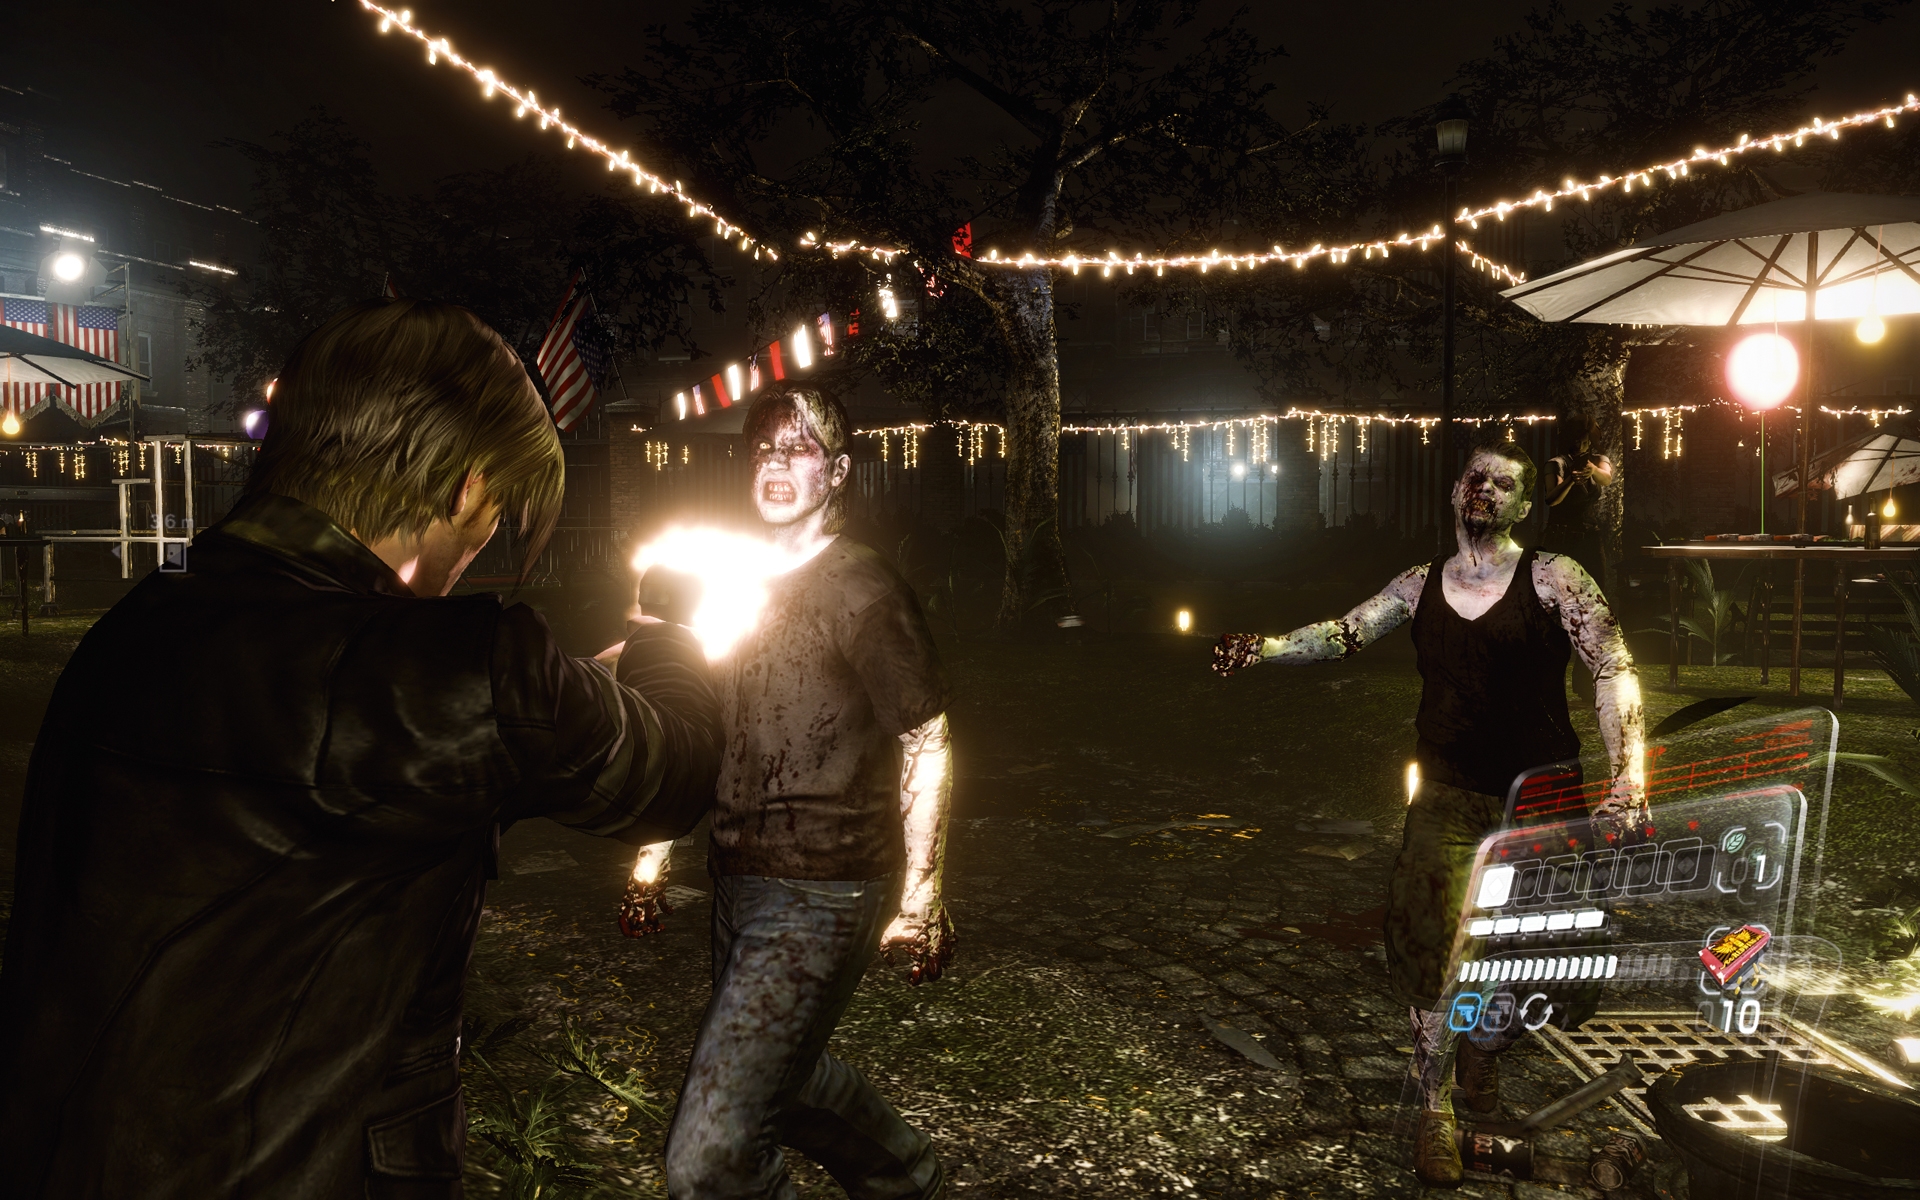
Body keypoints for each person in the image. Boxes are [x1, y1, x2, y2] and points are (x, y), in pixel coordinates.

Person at [0, 300, 724, 1199]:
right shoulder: (455, 671)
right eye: (498, 509)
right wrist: (664, 631)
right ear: (469, 489)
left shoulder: (140, 624)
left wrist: (570, 685)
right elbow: (673, 771)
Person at [1211, 439, 1644, 1188]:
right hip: (1447, 794)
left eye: (1503, 483)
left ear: (1524, 505)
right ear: (1454, 491)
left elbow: (1613, 667)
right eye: (1476, 477)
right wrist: (1264, 648)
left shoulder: (1555, 578)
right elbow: (1343, 635)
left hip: (1541, 797)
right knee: (1436, 951)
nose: (1485, 490)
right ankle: (1435, 1106)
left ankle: (1484, 1050)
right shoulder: (1418, 585)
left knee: (1542, 956)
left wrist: (1630, 776)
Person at [622, 384, 953, 1200]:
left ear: (836, 472)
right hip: (738, 875)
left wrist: (922, 896)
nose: (776, 463)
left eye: (799, 448)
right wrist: (652, 860)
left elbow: (927, 738)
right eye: (764, 448)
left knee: (709, 1159)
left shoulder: (864, 591)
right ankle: (908, 1180)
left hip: (827, 886)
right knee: (787, 1078)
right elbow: (703, 727)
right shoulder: (734, 583)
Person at [1541, 415, 1614, 587]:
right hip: (1562, 536)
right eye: (1577, 442)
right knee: (1561, 587)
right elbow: (1552, 499)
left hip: (1590, 535)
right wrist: (1571, 480)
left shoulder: (1598, 460)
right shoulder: (1557, 463)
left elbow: (1606, 479)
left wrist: (1593, 470)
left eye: (1585, 442)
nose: (1580, 447)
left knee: (1596, 585)